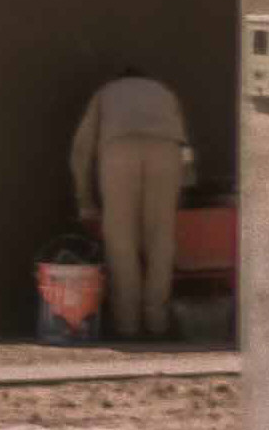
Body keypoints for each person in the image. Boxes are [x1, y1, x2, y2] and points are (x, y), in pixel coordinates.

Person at [70, 72, 193, 341]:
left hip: (119, 151)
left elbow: (82, 149)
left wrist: (84, 200)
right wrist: (184, 187)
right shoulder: (164, 91)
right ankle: (157, 322)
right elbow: (185, 146)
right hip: (166, 151)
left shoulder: (105, 92)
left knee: (121, 240)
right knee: (161, 240)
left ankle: (127, 325)